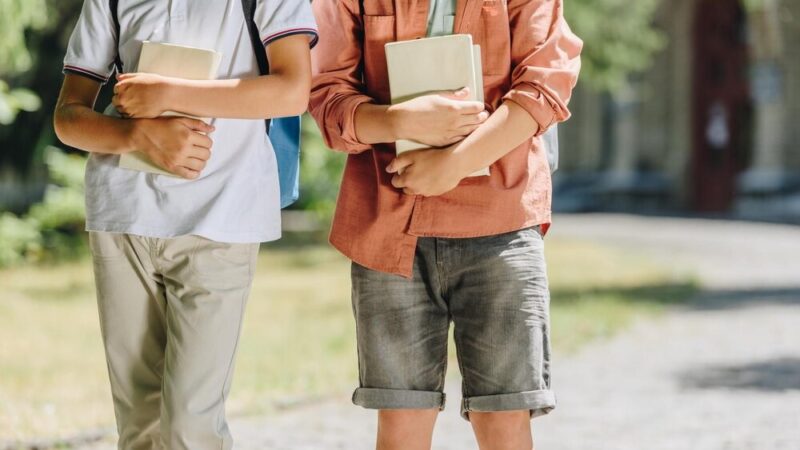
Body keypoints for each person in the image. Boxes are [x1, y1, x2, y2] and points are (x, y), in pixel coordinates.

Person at [309, 1, 582, 449]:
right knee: (400, 425)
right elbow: (327, 97)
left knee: (505, 419)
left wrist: (455, 163)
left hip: (502, 224)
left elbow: (544, 84)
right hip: (389, 227)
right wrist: (399, 120)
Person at [53, 1, 317, 448]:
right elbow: (67, 118)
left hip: (221, 218)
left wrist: (170, 94)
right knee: (139, 426)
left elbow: (293, 90)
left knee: (191, 427)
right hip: (123, 218)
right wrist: (135, 135)